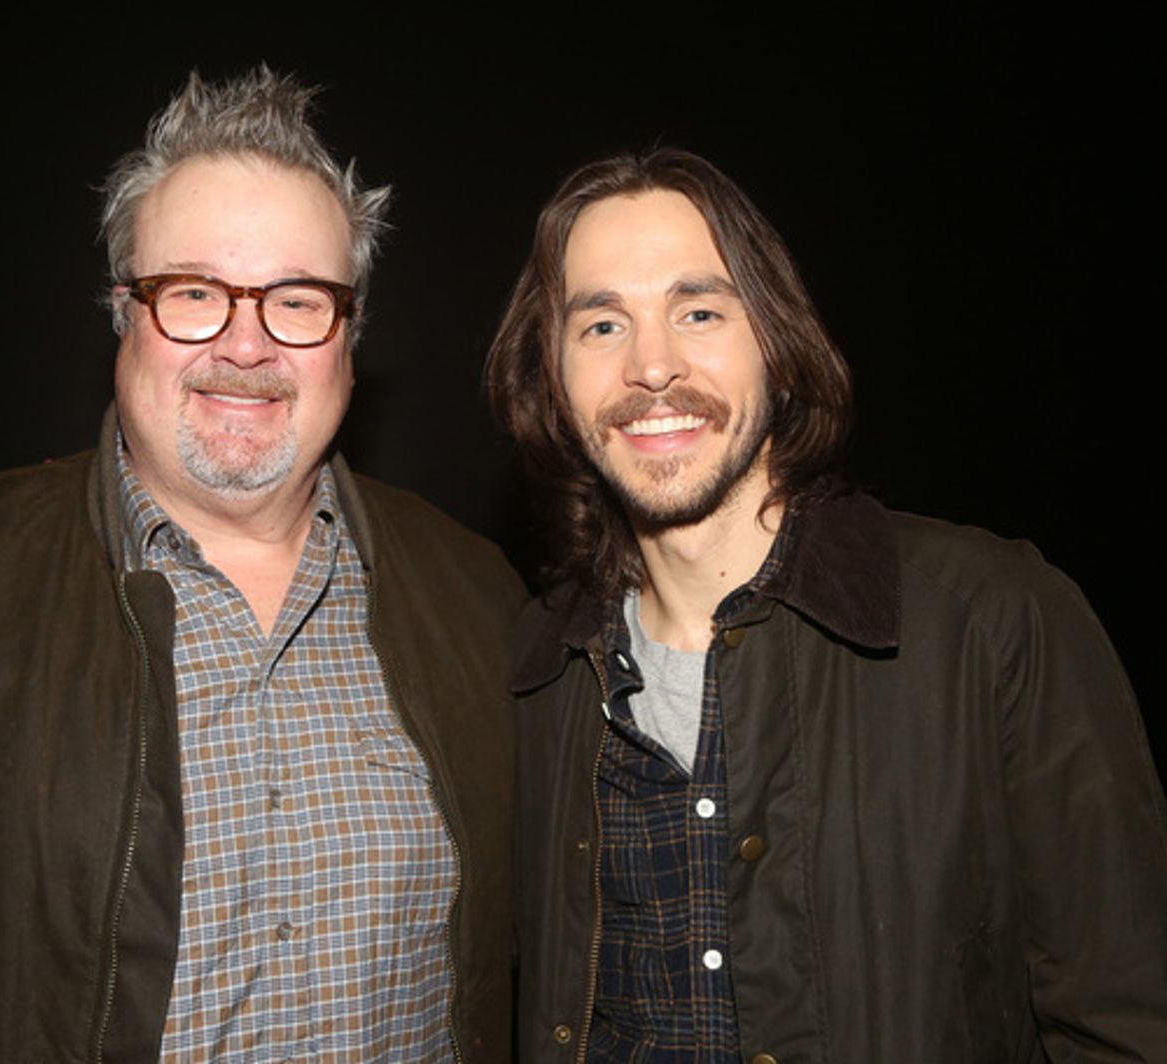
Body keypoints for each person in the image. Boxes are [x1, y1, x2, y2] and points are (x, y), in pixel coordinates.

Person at [0, 68, 522, 1062]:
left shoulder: (480, 600)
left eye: (296, 299)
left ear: (351, 334)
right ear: (123, 312)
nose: (245, 345)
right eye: (194, 293)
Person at [485, 148, 1167, 1063]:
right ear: (554, 380)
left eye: (698, 311)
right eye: (602, 325)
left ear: (777, 341)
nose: (653, 366)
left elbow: (1129, 1021)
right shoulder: (536, 671)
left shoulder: (992, 622)